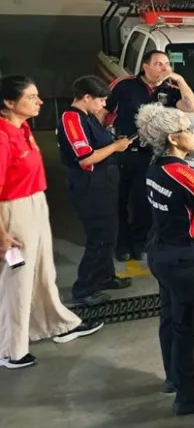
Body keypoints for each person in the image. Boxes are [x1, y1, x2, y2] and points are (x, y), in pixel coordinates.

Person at [0, 76, 103, 370]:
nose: (40, 101)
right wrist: (3, 235)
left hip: (34, 205)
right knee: (16, 277)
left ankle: (56, 324)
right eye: (31, 97)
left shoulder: (22, 129)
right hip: (12, 213)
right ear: (8, 103)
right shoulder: (2, 136)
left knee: (43, 271)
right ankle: (10, 349)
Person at [137, 103, 194, 416]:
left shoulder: (155, 165)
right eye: (188, 130)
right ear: (174, 139)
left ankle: (177, 377)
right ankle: (192, 396)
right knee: (190, 326)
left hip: (162, 251)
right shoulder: (183, 173)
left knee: (171, 318)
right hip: (188, 259)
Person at [105, 49, 194, 262]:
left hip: (150, 154)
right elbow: (103, 110)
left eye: (167, 64)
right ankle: (121, 245)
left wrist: (180, 80)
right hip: (122, 151)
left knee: (143, 201)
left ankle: (140, 243)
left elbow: (191, 106)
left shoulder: (169, 90)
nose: (164, 68)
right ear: (145, 66)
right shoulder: (124, 85)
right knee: (119, 200)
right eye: (158, 64)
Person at [56, 75, 134, 307]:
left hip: (104, 183)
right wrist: (115, 147)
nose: (103, 105)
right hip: (90, 186)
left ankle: (105, 276)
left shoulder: (88, 116)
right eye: (100, 100)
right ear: (86, 97)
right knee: (100, 238)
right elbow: (85, 158)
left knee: (110, 233)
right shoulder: (71, 119)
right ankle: (84, 289)